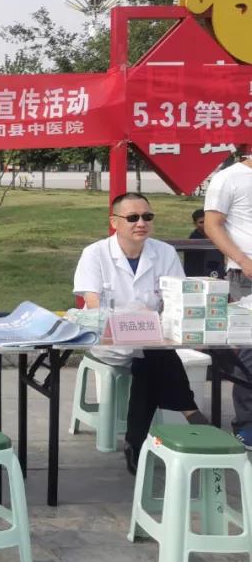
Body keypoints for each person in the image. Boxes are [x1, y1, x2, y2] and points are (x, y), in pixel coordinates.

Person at [73, 192, 208, 473]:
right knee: (153, 356)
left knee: (149, 359)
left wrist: (152, 324)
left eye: (147, 216)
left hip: (155, 338)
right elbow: (94, 304)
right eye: (132, 217)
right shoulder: (95, 253)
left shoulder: (164, 252)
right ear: (114, 222)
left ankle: (135, 443)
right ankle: (189, 411)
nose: (141, 223)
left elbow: (176, 299)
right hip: (109, 339)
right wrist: (134, 322)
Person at [203, 154, 252, 445]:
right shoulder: (229, 178)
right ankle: (247, 424)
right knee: (250, 349)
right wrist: (244, 261)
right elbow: (212, 224)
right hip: (247, 275)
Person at [184, 208, 224, 278]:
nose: (205, 224)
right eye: (201, 222)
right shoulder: (193, 240)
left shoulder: (218, 235)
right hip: (198, 276)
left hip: (216, 274)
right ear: (195, 224)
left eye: (207, 221)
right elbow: (192, 266)